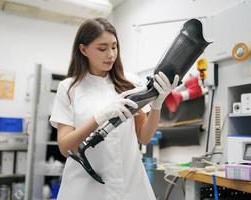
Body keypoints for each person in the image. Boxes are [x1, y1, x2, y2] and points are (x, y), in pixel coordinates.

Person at [50, 18, 179, 200]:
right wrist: (98, 118)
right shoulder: (69, 88)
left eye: (114, 46)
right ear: (83, 49)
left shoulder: (130, 83)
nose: (111, 54)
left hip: (130, 186)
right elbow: (65, 147)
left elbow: (144, 137)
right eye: (102, 48)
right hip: (86, 188)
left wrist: (158, 104)